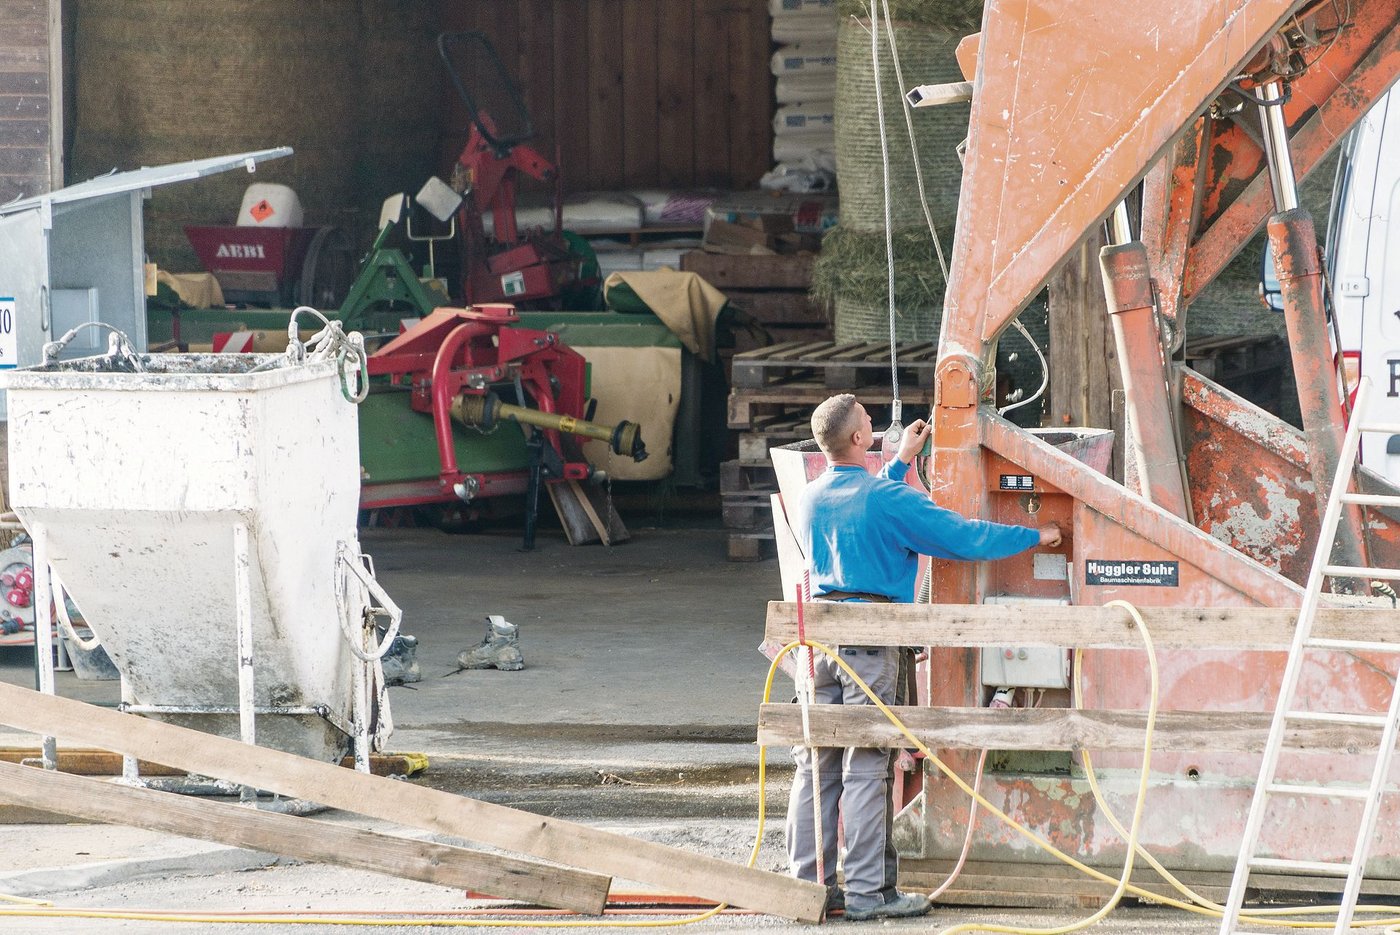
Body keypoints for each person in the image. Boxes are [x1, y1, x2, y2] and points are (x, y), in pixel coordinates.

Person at [786, 393, 1061, 922]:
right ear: (860, 439)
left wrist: (901, 460)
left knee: (816, 764)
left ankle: (810, 887)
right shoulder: (888, 500)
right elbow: (961, 537)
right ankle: (870, 894)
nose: (879, 426)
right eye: (871, 421)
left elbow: (866, 502)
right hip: (869, 646)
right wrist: (1036, 535)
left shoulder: (813, 496)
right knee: (867, 766)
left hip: (816, 645)